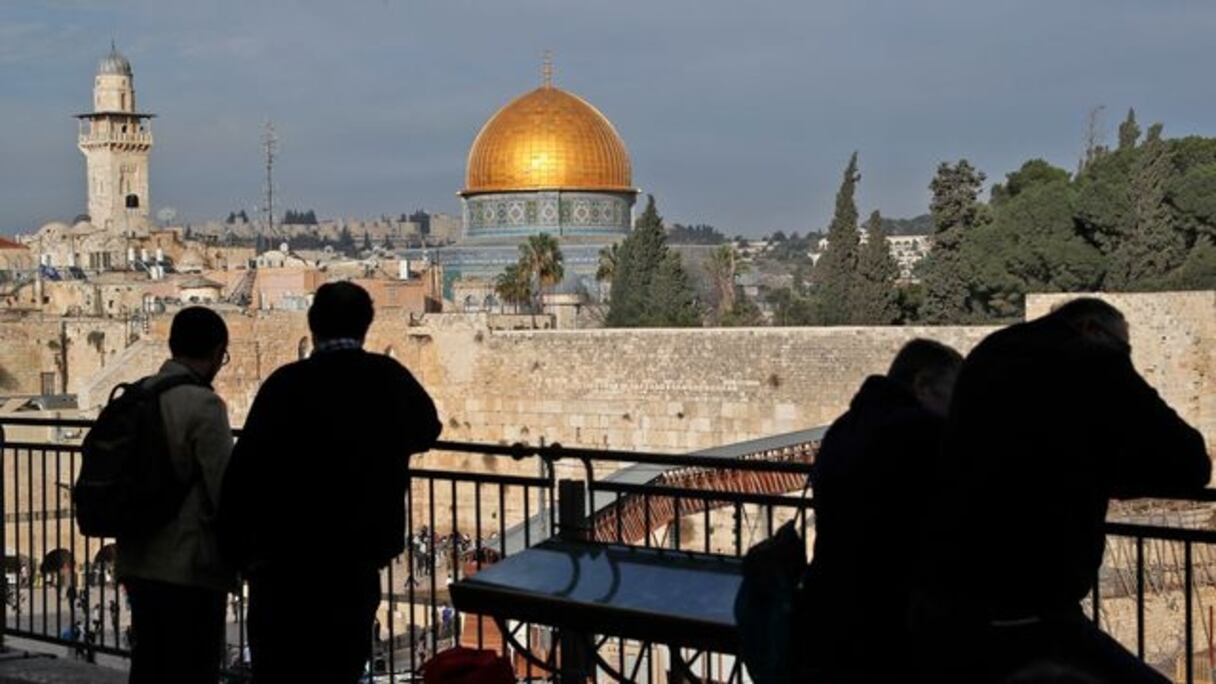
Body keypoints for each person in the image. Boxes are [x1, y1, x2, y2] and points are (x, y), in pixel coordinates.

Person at [916, 298, 1211, 683]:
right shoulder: (1092, 358)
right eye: (1124, 347)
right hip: (1030, 607)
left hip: (947, 600)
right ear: (1091, 329)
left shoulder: (990, 352)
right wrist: (1109, 476)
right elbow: (1190, 464)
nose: (1126, 357)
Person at [220, 281, 442, 683]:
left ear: (313, 325)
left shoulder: (284, 384)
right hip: (353, 561)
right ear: (367, 326)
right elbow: (428, 429)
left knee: (279, 670)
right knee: (340, 666)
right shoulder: (387, 377)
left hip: (282, 564)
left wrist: (237, 555)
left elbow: (243, 473)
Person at [797, 338, 962, 683]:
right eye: (952, 395)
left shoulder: (846, 426)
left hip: (827, 611)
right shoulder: (919, 434)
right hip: (889, 624)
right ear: (923, 385)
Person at [117, 306, 235, 684]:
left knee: (150, 662)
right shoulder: (204, 405)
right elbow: (225, 491)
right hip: (188, 566)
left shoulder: (137, 395)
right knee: (193, 667)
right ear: (218, 352)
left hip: (137, 558)